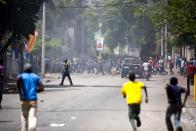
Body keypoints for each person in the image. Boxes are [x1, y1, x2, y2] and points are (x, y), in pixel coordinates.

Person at [16, 63, 44, 131]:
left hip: (24, 100)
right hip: (33, 100)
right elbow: (42, 87)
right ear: (31, 69)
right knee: (32, 117)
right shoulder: (36, 77)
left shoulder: (21, 76)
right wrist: (36, 91)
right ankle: (32, 128)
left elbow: (18, 85)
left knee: (24, 118)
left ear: (24, 69)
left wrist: (20, 94)